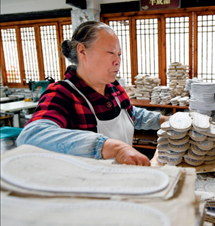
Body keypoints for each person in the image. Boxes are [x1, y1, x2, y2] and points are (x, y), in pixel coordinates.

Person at [17, 21, 168, 166]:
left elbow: (131, 115)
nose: (117, 61)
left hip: (120, 181)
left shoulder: (113, 89)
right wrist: (107, 147)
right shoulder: (62, 94)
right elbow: (30, 137)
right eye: (110, 52)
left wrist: (165, 120)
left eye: (119, 54)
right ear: (82, 51)